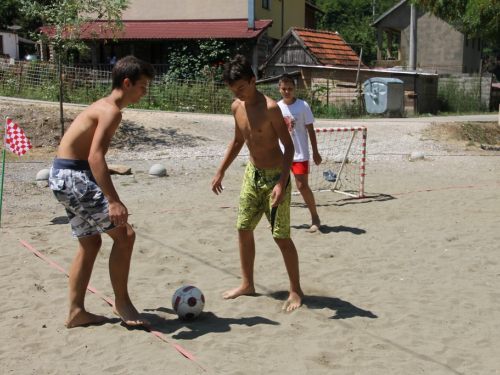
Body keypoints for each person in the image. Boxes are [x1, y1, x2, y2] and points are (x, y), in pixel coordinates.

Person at [48, 56, 155, 328]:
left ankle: (76, 312)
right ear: (127, 83)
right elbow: (96, 157)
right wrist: (113, 200)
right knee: (125, 235)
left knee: (91, 242)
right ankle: (123, 303)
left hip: (65, 175)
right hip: (73, 176)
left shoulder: (104, 107)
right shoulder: (111, 111)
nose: (145, 92)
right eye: (142, 86)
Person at [211, 55, 304, 312]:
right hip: (252, 175)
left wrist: (282, 182)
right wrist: (221, 171)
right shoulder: (236, 107)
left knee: (281, 236)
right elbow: (239, 140)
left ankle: (295, 290)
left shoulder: (271, 108)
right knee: (243, 228)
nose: (238, 94)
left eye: (241, 87)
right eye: (233, 90)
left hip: (277, 177)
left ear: (253, 81)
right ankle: (247, 283)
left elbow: (289, 146)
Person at [277, 74, 322, 231]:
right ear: (279, 89)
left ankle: (315, 218)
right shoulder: (276, 107)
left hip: (300, 153)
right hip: (281, 154)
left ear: (295, 89)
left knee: (302, 186)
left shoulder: (303, 106)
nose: (287, 91)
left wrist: (315, 152)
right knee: (279, 186)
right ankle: (277, 219)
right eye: (284, 89)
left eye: (290, 88)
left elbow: (310, 130)